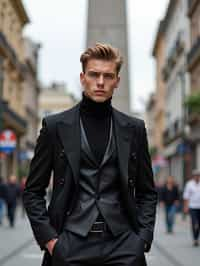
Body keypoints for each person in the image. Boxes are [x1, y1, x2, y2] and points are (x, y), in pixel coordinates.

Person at [23, 43, 157, 266]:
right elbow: (33, 191)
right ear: (83, 77)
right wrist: (50, 240)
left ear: (117, 81)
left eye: (108, 76)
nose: (101, 82)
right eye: (94, 75)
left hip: (123, 246)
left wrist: (141, 239)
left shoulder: (134, 129)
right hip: (70, 245)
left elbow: (147, 192)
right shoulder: (55, 126)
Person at [183, 169, 200, 247]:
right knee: (194, 223)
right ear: (193, 176)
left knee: (198, 224)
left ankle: (197, 237)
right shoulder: (189, 184)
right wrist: (186, 207)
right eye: (196, 175)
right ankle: (195, 239)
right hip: (192, 206)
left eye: (198, 175)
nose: (197, 177)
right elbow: (186, 196)